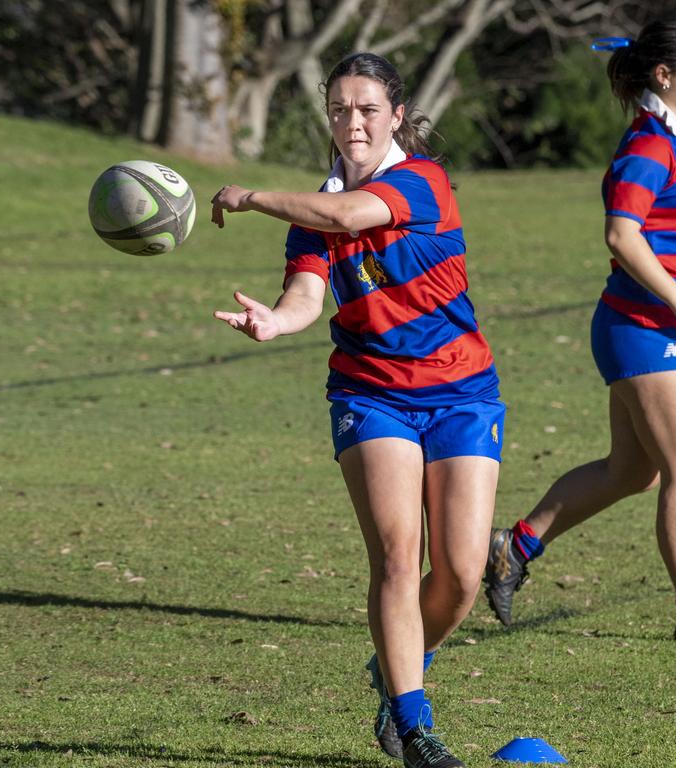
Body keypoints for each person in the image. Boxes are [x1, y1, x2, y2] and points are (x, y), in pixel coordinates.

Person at [211, 52, 504, 768]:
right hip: (371, 393)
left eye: (368, 108)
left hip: (462, 389)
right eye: (339, 109)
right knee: (400, 560)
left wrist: (250, 197)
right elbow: (308, 292)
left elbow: (348, 214)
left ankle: (396, 668)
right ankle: (415, 726)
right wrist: (276, 322)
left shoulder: (422, 182)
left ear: (396, 115)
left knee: (462, 575)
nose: (352, 122)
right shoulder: (314, 209)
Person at [484, 20, 676, 646]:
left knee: (632, 471)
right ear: (664, 76)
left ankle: (515, 546)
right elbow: (622, 234)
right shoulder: (648, 145)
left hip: (666, 323)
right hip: (645, 327)